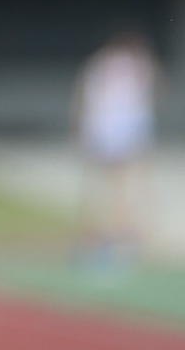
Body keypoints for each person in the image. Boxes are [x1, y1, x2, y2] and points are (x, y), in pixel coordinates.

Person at [74, 31, 158, 266]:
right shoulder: (134, 64)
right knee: (124, 184)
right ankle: (117, 233)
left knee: (106, 185)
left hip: (104, 128)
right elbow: (149, 94)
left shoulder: (99, 63)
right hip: (121, 129)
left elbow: (85, 96)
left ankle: (105, 233)